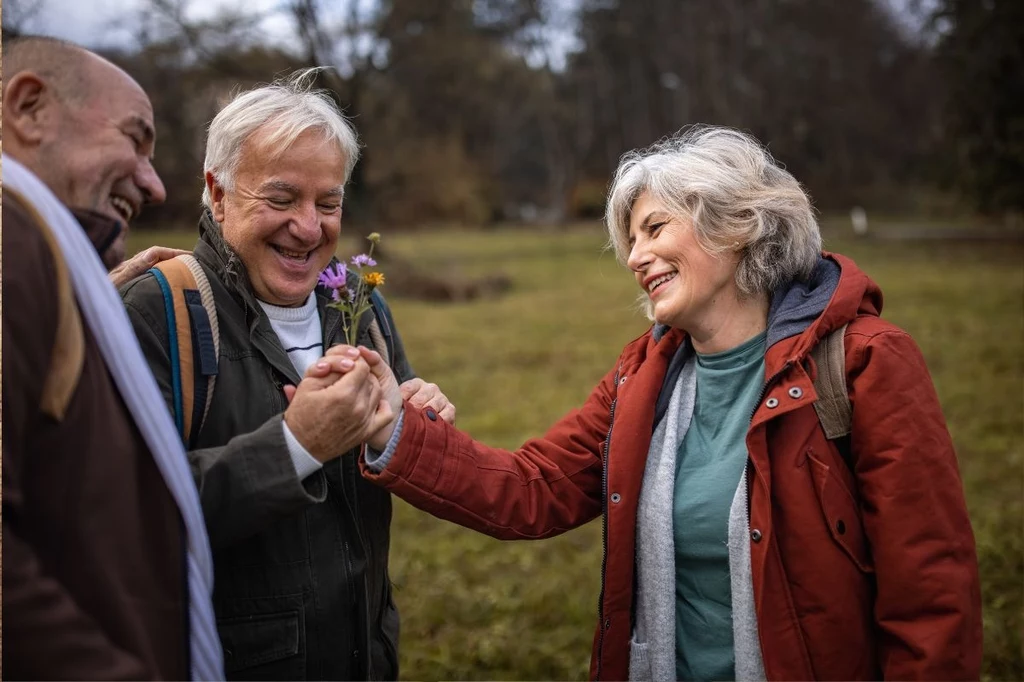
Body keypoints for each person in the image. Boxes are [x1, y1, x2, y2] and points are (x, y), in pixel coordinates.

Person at [346, 126, 983, 680]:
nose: (634, 257)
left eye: (654, 229)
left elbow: (930, 594)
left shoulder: (866, 361)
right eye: (629, 240)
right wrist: (393, 429)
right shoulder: (642, 377)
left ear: (737, 224)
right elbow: (533, 488)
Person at [119, 70, 452, 680]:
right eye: (280, 199)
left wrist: (411, 428)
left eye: (328, 203)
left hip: (366, 654)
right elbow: (125, 517)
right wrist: (296, 445)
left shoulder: (356, 301)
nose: (309, 228)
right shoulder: (157, 309)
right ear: (217, 194)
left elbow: (398, 449)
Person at [2, 36, 223, 679]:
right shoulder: (12, 246)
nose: (154, 186)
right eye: (136, 139)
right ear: (30, 108)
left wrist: (83, 298)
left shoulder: (47, 265)